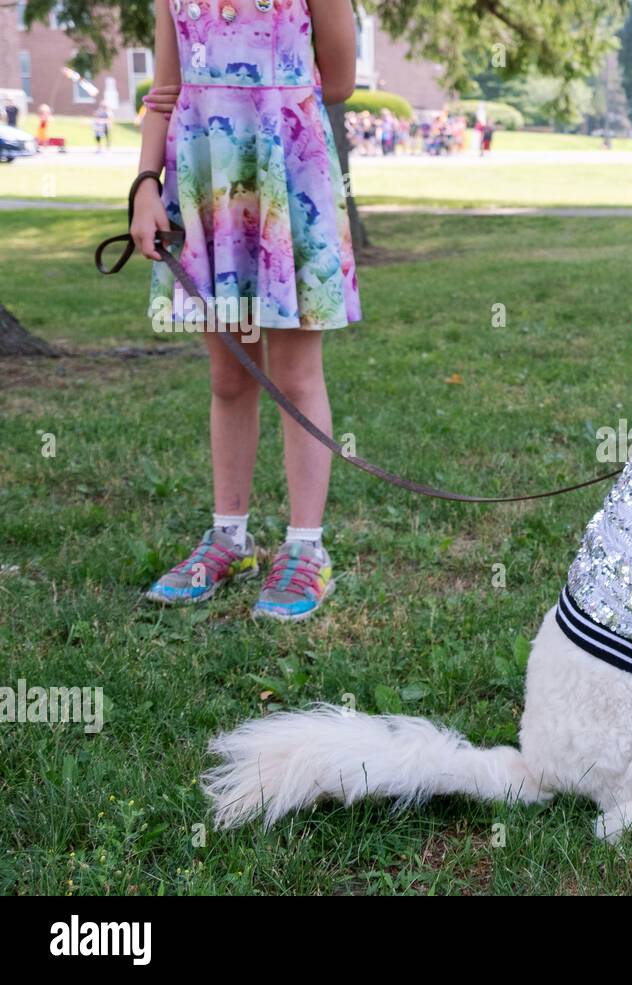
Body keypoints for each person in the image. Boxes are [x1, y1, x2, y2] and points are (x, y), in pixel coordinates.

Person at [131, 0, 361, 621]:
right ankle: (229, 539)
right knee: (230, 376)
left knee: (294, 377)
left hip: (287, 171)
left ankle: (305, 549)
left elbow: (337, 79)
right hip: (206, 178)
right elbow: (165, 92)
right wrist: (145, 185)